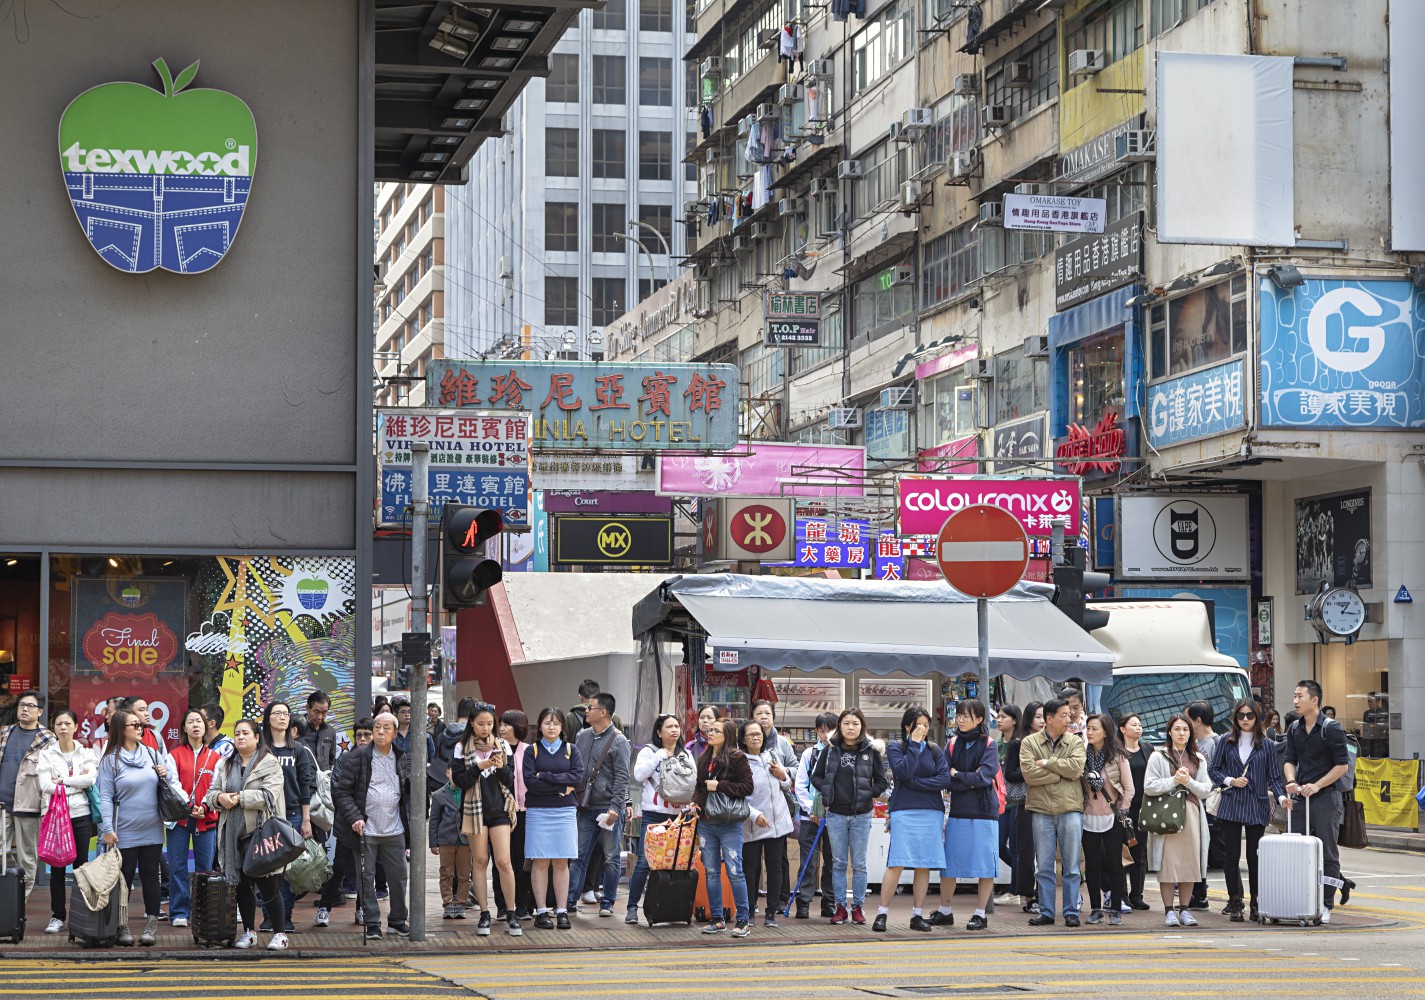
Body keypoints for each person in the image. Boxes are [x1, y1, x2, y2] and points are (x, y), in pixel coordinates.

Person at [97, 708, 182, 946]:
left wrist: (164, 775)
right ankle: (122, 926)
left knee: (151, 877)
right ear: (120, 730)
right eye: (134, 725)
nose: (140, 729)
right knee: (123, 879)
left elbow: (167, 787)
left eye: (141, 725)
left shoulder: (153, 755)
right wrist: (106, 829)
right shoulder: (110, 760)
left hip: (152, 827)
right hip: (122, 830)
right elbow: (104, 796)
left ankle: (151, 925)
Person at [204, 718, 289, 951]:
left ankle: (280, 933)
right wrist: (219, 798)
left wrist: (239, 797)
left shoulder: (270, 763)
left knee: (269, 885)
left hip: (260, 834)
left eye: (245, 733)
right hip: (233, 835)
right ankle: (249, 932)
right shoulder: (225, 764)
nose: (240, 737)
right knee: (241, 885)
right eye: (237, 734)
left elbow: (269, 796)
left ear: (256, 737)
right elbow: (211, 794)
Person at [333, 711, 413, 941]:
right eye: (377, 727)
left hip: (394, 828)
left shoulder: (402, 757)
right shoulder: (358, 756)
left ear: (395, 733)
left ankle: (397, 920)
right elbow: (342, 792)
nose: (379, 732)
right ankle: (372, 922)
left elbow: (410, 792)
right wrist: (355, 818)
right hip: (365, 830)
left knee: (398, 878)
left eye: (386, 728)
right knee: (366, 878)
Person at [1209, 699, 1287, 922]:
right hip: (1232, 802)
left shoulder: (1268, 745)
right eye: (1241, 715)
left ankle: (1256, 902)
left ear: (1257, 717)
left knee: (1255, 858)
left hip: (1257, 803)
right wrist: (1230, 780)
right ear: (1235, 718)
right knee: (1231, 856)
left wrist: (1281, 797)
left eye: (1249, 715)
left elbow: (1274, 776)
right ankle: (1235, 902)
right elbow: (1213, 770)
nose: (1245, 719)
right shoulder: (1226, 740)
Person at [812, 708, 888, 927]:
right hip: (835, 813)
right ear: (840, 726)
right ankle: (839, 908)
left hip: (861, 815)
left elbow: (882, 782)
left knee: (860, 864)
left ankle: (858, 908)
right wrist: (827, 790)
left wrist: (868, 792)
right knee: (837, 863)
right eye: (846, 723)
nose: (851, 727)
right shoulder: (830, 749)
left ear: (862, 726)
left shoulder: (870, 751)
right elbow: (816, 776)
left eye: (855, 723)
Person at [1283, 678, 1350, 923]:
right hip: (1301, 797)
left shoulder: (1331, 728)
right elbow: (1289, 760)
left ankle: (1326, 904)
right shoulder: (1293, 729)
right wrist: (1291, 781)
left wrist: (1317, 785)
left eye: (1300, 696)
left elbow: (1342, 766)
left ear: (1314, 700)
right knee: (1296, 850)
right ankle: (1299, 899)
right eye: (1294, 696)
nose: (1295, 701)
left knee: (1328, 853)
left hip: (1326, 797)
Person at [451, 702, 520, 936]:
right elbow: (460, 781)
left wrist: (500, 767)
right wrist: (479, 767)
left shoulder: (502, 746)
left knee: (504, 862)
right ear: (471, 723)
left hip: (499, 810)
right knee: (479, 861)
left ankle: (511, 912)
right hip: (474, 812)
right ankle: (484, 913)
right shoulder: (461, 748)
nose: (486, 728)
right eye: (481, 723)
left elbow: (511, 781)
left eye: (490, 724)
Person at [877, 705, 948, 933]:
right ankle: (882, 913)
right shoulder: (896, 747)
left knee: (923, 864)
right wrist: (915, 745)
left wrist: (917, 784)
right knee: (896, 862)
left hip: (931, 811)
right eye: (919, 725)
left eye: (926, 725)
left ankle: (917, 915)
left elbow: (944, 779)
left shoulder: (935, 749)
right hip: (904, 810)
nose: (923, 729)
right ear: (907, 726)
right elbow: (903, 773)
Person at [1021, 698, 1086, 927]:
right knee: (1045, 866)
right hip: (1041, 810)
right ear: (1049, 718)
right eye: (1064, 715)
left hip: (1070, 809)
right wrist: (1061, 772)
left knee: (1072, 866)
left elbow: (1077, 769)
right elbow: (1029, 775)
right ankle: (1047, 911)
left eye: (1070, 715)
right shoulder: (1029, 742)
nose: (1069, 719)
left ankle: (1071, 912)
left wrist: (1047, 763)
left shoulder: (1076, 742)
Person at [625, 713, 693, 924]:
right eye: (669, 726)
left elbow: (693, 781)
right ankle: (631, 908)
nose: (674, 730)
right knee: (645, 862)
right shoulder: (649, 751)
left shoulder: (686, 754)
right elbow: (638, 775)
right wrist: (659, 757)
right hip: (654, 815)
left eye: (677, 726)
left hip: (679, 816)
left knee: (676, 863)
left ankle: (669, 908)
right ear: (659, 732)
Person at [566, 692, 630, 917]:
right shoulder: (582, 736)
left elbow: (623, 776)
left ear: (602, 712)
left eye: (589, 707)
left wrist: (616, 806)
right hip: (585, 806)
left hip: (608, 809)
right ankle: (570, 900)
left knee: (611, 856)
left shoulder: (619, 740)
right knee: (578, 855)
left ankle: (608, 902)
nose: (586, 711)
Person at [1146, 714, 1213, 927]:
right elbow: (1149, 786)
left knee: (1189, 865)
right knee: (1167, 865)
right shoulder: (1158, 757)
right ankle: (1168, 911)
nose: (1181, 733)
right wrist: (1174, 781)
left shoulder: (1198, 758)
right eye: (1177, 729)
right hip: (1166, 816)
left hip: (1192, 815)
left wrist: (1189, 782)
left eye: (1185, 729)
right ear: (1169, 732)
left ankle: (1185, 909)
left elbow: (1205, 789)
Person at [939, 699, 1000, 931]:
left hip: (984, 812)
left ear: (979, 719)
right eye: (960, 715)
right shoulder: (952, 743)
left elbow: (983, 777)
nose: (961, 719)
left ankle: (980, 913)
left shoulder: (989, 744)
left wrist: (958, 776)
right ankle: (945, 910)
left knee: (985, 865)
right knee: (950, 863)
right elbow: (945, 777)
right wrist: (965, 779)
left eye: (967, 716)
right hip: (958, 810)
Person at [37, 708, 98, 935]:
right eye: (59, 724)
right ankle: (57, 916)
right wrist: (75, 784)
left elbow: (91, 778)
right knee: (57, 866)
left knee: (81, 866)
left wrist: (62, 781)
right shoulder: (47, 754)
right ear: (54, 727)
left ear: (75, 727)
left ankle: (82, 914)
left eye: (67, 723)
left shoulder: (86, 752)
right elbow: (45, 785)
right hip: (55, 816)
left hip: (81, 815)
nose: (63, 727)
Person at [522, 707, 585, 930]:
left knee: (562, 861)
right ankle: (541, 911)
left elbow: (577, 777)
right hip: (538, 812)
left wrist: (546, 777)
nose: (551, 727)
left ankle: (561, 910)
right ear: (539, 726)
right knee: (540, 861)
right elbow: (530, 783)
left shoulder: (571, 749)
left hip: (564, 813)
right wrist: (560, 787)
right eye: (547, 723)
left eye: (556, 723)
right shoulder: (532, 751)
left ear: (562, 727)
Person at [693, 717, 754, 937]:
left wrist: (720, 786)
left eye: (715, 731)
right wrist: (694, 802)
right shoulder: (704, 757)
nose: (710, 734)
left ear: (727, 735)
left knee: (735, 871)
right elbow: (700, 787)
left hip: (729, 823)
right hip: (707, 823)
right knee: (710, 872)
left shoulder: (738, 758)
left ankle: (743, 921)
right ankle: (717, 919)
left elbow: (748, 787)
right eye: (709, 731)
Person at [259, 700, 315, 933]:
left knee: (288, 871)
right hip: (266, 815)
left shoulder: (298, 750)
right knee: (266, 869)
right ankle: (268, 916)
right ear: (268, 718)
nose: (282, 717)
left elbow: (305, 785)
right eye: (277, 713)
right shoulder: (261, 749)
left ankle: (286, 916)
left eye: (286, 714)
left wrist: (306, 818)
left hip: (292, 815)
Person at [166, 708, 222, 929]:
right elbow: (172, 784)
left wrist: (205, 805)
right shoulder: (174, 755)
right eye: (191, 721)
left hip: (206, 819)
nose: (196, 725)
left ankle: (203, 911)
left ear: (207, 725)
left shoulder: (216, 757)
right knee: (178, 866)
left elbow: (218, 785)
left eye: (199, 721)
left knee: (205, 869)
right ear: (184, 728)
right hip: (180, 819)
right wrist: (189, 807)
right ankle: (179, 912)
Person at [0, 689, 56, 896]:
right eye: (22, 705)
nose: (24, 709)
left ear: (39, 711)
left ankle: (18, 904)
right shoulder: (5, 733)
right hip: (2, 803)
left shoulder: (48, 739)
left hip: (29, 805)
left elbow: (53, 774)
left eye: (30, 706)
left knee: (28, 858)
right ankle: (8, 894)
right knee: (1, 853)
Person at [740, 719, 794, 928]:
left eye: (759, 734)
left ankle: (771, 912)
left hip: (777, 822)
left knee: (775, 868)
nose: (756, 737)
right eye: (751, 734)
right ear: (743, 739)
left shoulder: (772, 755)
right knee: (750, 868)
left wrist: (783, 776)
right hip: (752, 823)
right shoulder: (740, 761)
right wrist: (753, 815)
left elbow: (786, 785)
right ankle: (750, 910)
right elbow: (738, 796)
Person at [1080, 714, 1133, 926]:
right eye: (1088, 728)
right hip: (1088, 816)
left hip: (1112, 817)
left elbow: (1129, 788)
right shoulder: (1082, 755)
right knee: (1091, 865)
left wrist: (1123, 809)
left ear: (1106, 731)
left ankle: (1116, 910)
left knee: (1114, 864)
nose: (1089, 732)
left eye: (1094, 728)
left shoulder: (1117, 756)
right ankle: (1095, 909)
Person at [751, 699, 799, 913]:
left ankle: (781, 899)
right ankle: (751, 902)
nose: (764, 717)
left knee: (779, 859)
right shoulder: (745, 746)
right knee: (752, 861)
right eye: (759, 713)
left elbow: (796, 770)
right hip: (754, 810)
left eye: (767, 713)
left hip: (779, 807)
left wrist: (784, 773)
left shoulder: (783, 743)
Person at [793, 711, 838, 919]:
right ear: (817, 731)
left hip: (835, 817)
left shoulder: (842, 754)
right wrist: (813, 810)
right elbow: (801, 785)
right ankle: (803, 902)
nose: (826, 734)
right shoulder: (809, 754)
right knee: (808, 861)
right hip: (810, 817)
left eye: (830, 730)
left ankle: (829, 902)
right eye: (822, 730)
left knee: (832, 860)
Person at [492, 709, 535, 921]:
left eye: (507, 724)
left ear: (519, 726)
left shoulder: (530, 750)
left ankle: (522, 904)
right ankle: (501, 905)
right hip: (502, 812)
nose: (502, 728)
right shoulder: (495, 748)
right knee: (501, 860)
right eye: (501, 724)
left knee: (522, 860)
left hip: (526, 812)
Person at [1184, 700, 1220, 911]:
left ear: (1198, 720)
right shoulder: (1192, 745)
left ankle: (1200, 894)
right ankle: (1196, 893)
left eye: (1187, 720)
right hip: (1195, 805)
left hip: (1210, 806)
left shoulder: (1216, 743)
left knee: (1202, 851)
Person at [337, 717, 373, 923]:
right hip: (347, 822)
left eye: (367, 734)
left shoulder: (380, 757)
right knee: (340, 867)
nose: (362, 738)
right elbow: (340, 791)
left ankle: (364, 907)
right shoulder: (345, 759)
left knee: (367, 871)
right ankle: (325, 905)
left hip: (373, 824)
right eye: (358, 735)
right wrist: (354, 816)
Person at [1118, 712, 1153, 911]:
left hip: (1143, 807)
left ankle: (1137, 895)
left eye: (1140, 724)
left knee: (1140, 852)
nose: (1139, 728)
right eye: (1134, 724)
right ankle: (1122, 895)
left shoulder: (1147, 749)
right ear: (1123, 729)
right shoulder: (1116, 750)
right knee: (1121, 851)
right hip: (1122, 808)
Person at [1013, 702, 1044, 912]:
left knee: (1045, 854)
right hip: (1025, 803)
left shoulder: (1050, 743)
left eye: (1044, 717)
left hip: (1047, 803)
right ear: (1028, 719)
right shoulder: (1019, 743)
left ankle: (1042, 897)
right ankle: (1026, 896)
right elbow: (1010, 774)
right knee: (1027, 852)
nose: (1042, 721)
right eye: (1038, 717)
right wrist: (1033, 770)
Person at [428, 770, 471, 922]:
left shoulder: (469, 792)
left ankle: (460, 904)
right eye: (454, 771)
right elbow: (434, 820)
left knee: (464, 875)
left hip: (466, 841)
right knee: (446, 873)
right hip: (446, 840)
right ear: (447, 773)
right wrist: (433, 842)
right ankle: (447, 903)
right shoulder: (439, 795)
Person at [996, 705, 1024, 904]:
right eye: (997, 716)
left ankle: (1015, 891)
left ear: (1014, 720)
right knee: (997, 845)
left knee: (1015, 847)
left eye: (1003, 717)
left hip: (1017, 801)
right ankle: (1022, 875)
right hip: (1000, 802)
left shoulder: (1020, 744)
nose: (998, 720)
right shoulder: (996, 745)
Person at [297, 691, 339, 771]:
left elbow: (331, 759)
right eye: (316, 712)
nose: (320, 717)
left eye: (324, 713)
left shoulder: (330, 731)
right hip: (303, 778)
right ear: (307, 708)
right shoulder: (297, 729)